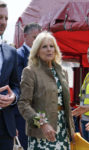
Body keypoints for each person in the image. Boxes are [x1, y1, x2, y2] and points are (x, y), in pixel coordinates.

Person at [18, 31, 75, 150]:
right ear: (37, 51)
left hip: (63, 130)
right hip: (42, 132)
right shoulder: (30, 71)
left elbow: (64, 102)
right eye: (44, 46)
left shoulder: (62, 71)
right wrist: (42, 123)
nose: (49, 49)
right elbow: (23, 104)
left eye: (51, 46)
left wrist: (71, 128)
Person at [15, 23, 41, 150]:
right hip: (24, 112)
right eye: (35, 37)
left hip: (39, 110)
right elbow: (19, 83)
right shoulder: (18, 55)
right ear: (25, 36)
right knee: (26, 144)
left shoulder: (43, 56)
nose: (38, 42)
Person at [0, 1, 20, 150]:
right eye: (0, 17)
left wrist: (13, 97)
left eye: (6, 18)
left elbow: (16, 86)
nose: (3, 22)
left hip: (5, 128)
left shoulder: (11, 52)